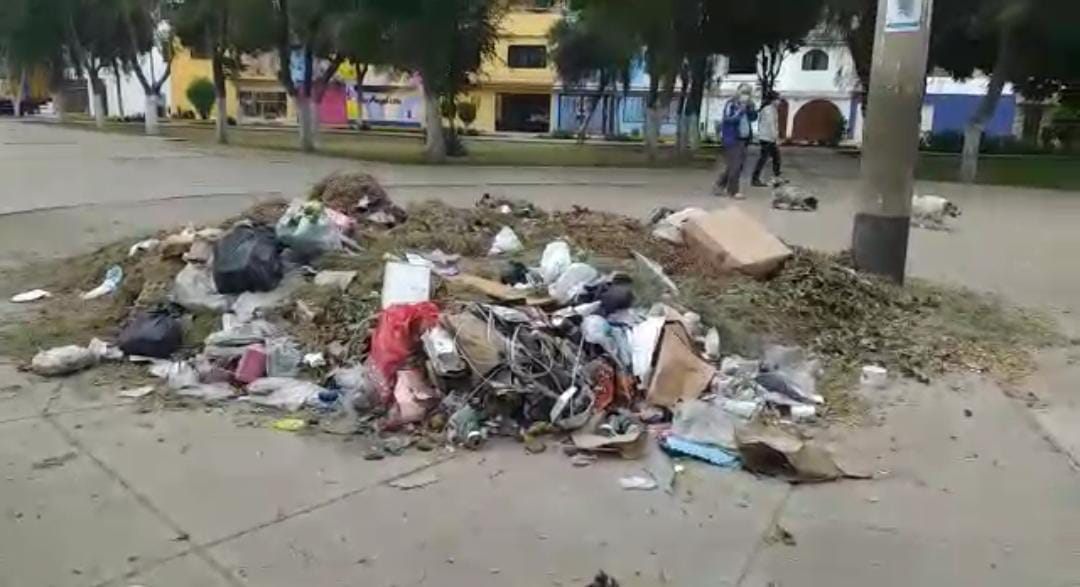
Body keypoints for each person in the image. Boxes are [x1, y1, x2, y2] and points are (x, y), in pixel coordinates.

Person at [713, 84, 757, 199]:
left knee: (736, 165)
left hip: (744, 138)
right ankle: (733, 191)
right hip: (731, 138)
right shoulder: (731, 104)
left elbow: (753, 118)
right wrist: (740, 111)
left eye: (748, 93)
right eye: (744, 92)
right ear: (738, 92)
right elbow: (728, 118)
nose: (745, 96)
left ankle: (719, 185)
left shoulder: (748, 105)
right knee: (736, 165)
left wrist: (751, 109)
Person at [752, 91, 783, 187]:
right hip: (767, 138)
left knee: (776, 158)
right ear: (773, 100)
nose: (779, 101)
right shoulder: (768, 110)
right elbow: (771, 125)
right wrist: (776, 138)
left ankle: (776, 177)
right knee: (764, 159)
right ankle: (755, 179)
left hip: (768, 138)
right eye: (778, 99)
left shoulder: (772, 109)